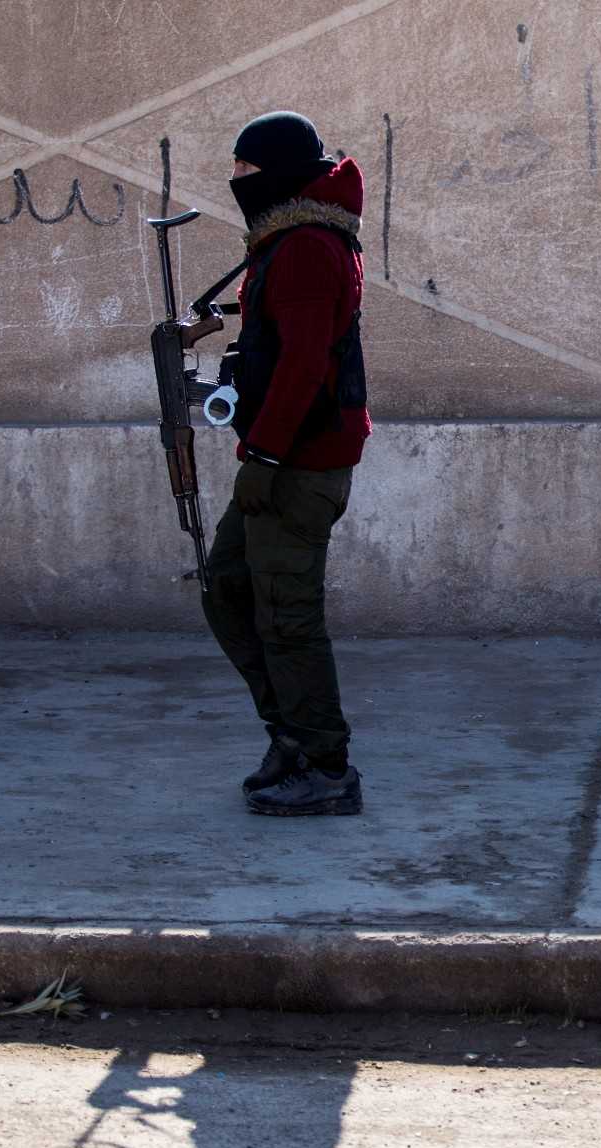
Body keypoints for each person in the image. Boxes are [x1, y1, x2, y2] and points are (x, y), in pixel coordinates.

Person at [200, 110, 370, 817]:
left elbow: (303, 363)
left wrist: (264, 455)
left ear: (275, 173)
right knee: (229, 589)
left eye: (245, 169)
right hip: (284, 458)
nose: (236, 180)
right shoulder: (293, 240)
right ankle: (292, 735)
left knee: (288, 614)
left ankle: (326, 766)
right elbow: (286, 335)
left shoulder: (303, 245)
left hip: (298, 463)